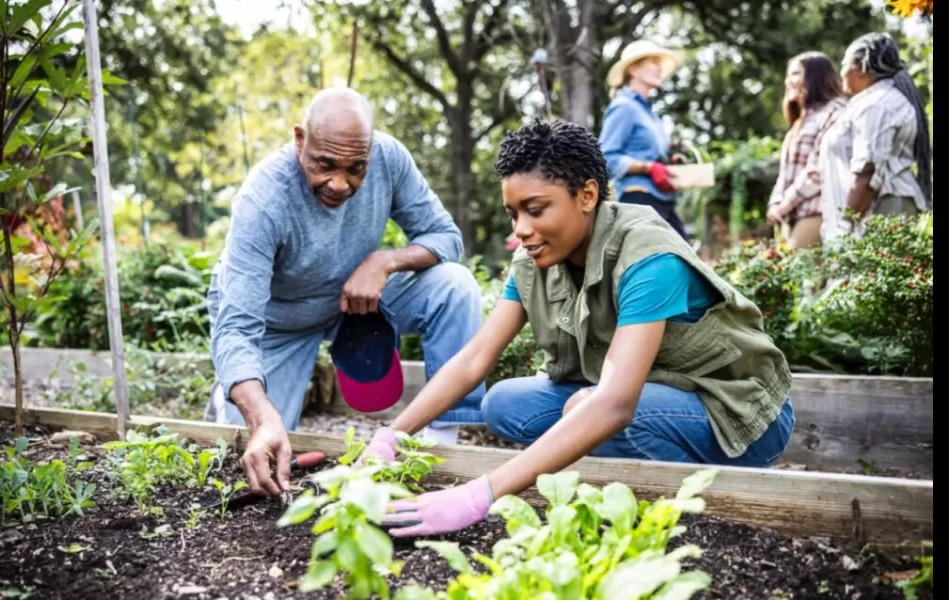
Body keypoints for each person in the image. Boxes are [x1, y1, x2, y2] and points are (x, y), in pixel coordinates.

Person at [362, 119, 795, 538]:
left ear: (587, 194)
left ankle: (701, 500)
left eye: (536, 210)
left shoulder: (648, 255)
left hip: (735, 413)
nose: (522, 230)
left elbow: (614, 405)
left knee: (593, 411)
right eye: (513, 214)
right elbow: (475, 359)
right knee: (504, 404)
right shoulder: (535, 260)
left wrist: (480, 494)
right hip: (649, 394)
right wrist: (391, 435)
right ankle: (618, 469)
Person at [205, 87, 486, 497]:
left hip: (354, 302)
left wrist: (384, 261)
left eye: (357, 168)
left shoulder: (389, 158)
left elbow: (445, 237)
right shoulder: (264, 199)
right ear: (300, 139)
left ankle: (443, 445)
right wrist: (260, 416)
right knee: (244, 457)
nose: (340, 183)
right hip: (277, 322)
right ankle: (230, 406)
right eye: (325, 164)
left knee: (455, 285)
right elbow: (235, 328)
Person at [819, 32, 932, 242]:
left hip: (882, 210)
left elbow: (867, 172)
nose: (841, 72)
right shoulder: (876, 101)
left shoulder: (877, 105)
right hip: (878, 209)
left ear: (861, 67)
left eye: (844, 64)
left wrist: (845, 227)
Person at [598, 39, 692, 241]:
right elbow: (605, 158)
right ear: (634, 69)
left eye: (660, 63)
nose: (660, 68)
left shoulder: (650, 114)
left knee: (686, 259)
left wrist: (671, 162)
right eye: (654, 62)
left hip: (662, 200)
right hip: (638, 199)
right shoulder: (624, 107)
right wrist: (648, 168)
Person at [766, 51, 847, 249]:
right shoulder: (800, 121)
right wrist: (775, 203)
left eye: (795, 74)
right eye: (789, 75)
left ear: (815, 77)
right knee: (787, 275)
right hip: (792, 214)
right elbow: (786, 173)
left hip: (817, 211)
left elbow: (818, 169)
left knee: (800, 275)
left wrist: (785, 204)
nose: (788, 81)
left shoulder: (834, 111)